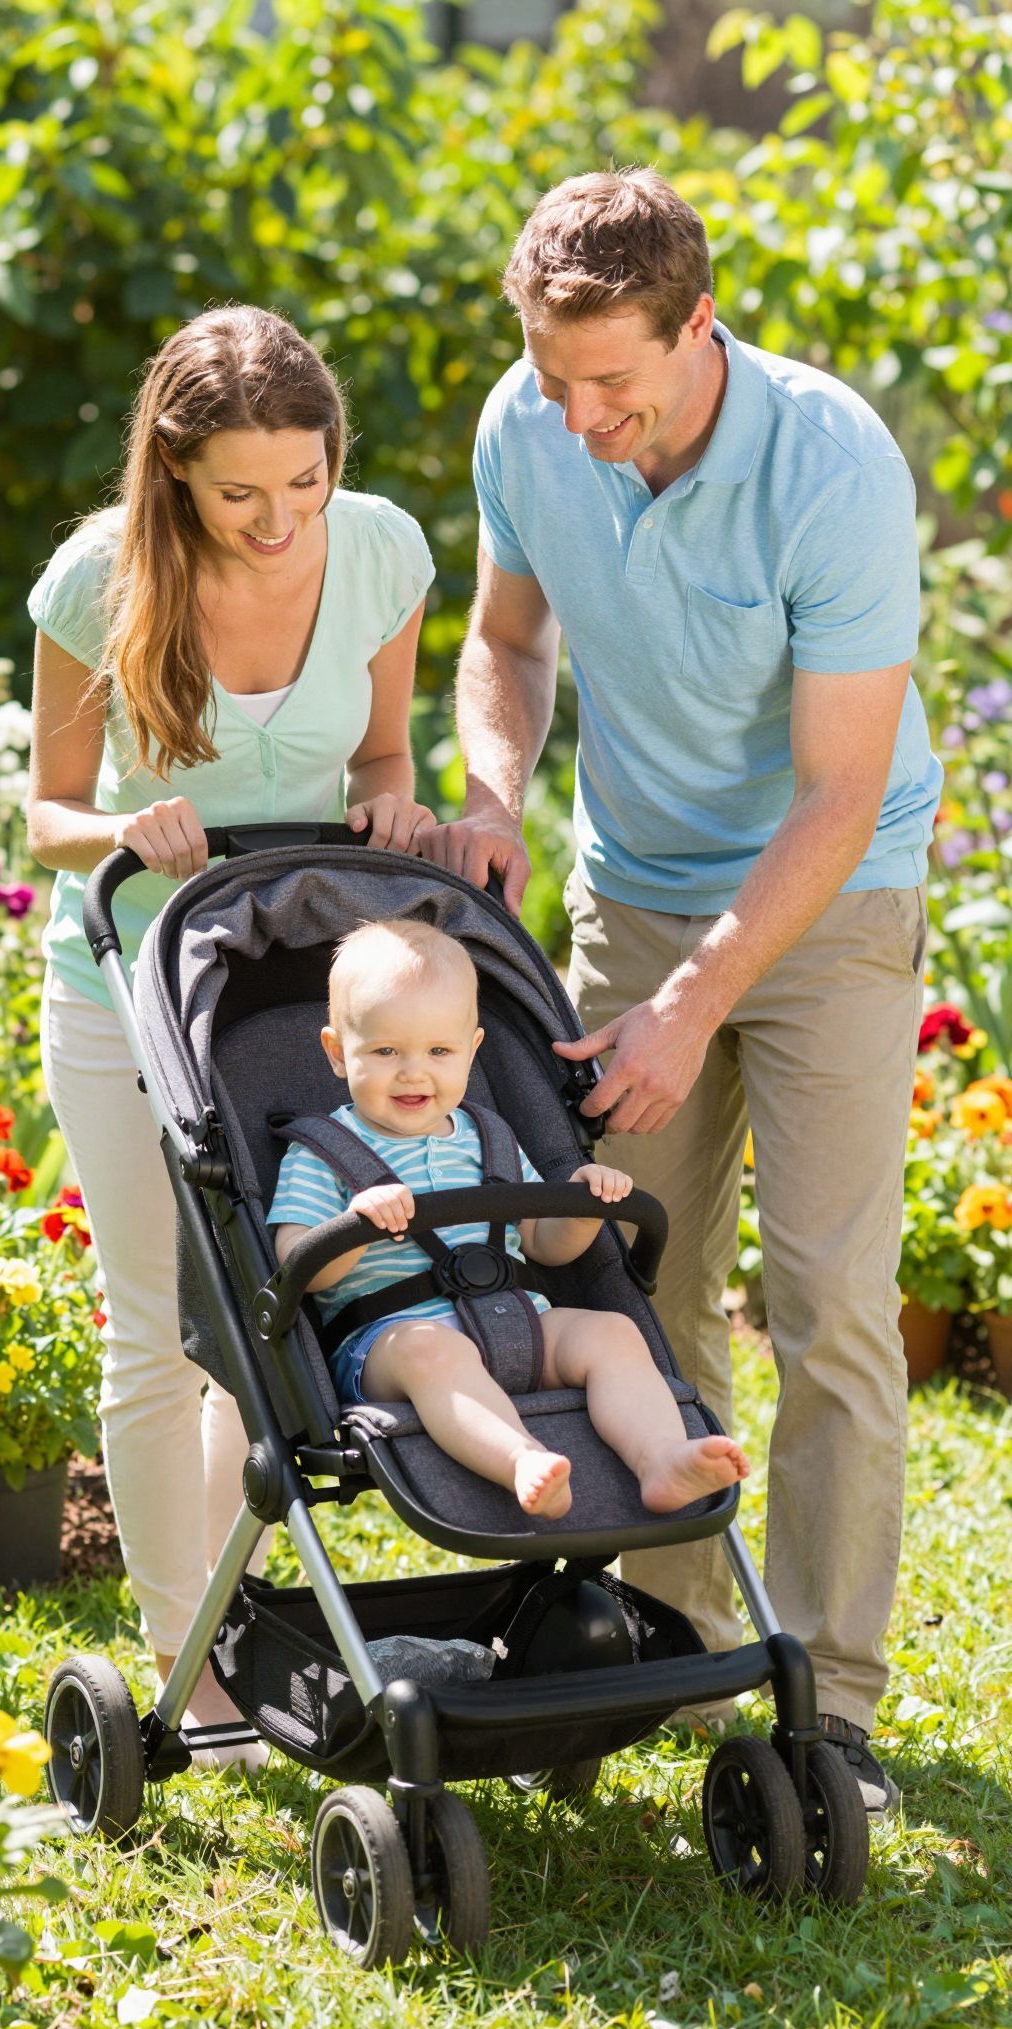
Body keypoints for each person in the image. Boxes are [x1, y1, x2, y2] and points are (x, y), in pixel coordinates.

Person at [420, 169, 941, 1810]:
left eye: (613, 384)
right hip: (633, 893)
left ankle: (827, 1706)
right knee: (628, 1283)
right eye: (553, 377)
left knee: (829, 1300)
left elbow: (839, 792)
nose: (580, 419)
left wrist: (697, 1002)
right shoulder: (529, 423)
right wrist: (493, 791)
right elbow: (506, 643)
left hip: (828, 897)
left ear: (698, 324)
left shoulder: (830, 464)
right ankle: (665, 1642)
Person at [27, 305, 436, 1757]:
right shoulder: (100, 580)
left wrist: (394, 803)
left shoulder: (381, 553)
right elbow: (43, 812)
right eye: (239, 493)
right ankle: (178, 1657)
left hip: (282, 996)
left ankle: (229, 1615)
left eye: (306, 482)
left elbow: (381, 752)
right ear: (176, 473)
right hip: (127, 994)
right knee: (157, 1327)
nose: (279, 522)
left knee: (254, 1334)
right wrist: (121, 830)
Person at [268, 919, 749, 1519]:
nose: (414, 1072)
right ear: (338, 1053)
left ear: (472, 1050)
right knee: (433, 1353)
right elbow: (297, 1266)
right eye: (385, 1051)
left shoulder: (490, 1137)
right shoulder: (322, 1151)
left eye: (439, 1052)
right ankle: (522, 1460)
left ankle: (660, 1458)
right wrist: (354, 1226)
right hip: (391, 1342)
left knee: (612, 1334)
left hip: (518, 1320)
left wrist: (583, 1207)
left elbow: (544, 1246)